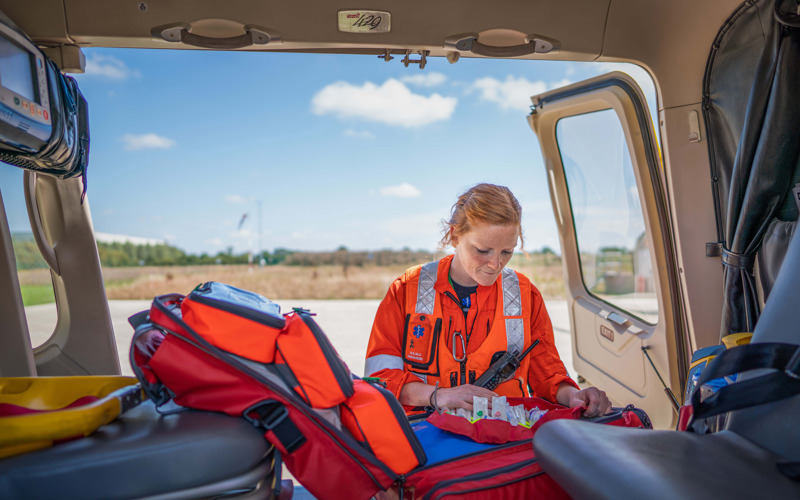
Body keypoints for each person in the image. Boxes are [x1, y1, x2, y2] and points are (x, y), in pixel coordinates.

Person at [364, 183, 611, 417]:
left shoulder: (526, 295)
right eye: (482, 250)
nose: (495, 264)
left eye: (507, 252)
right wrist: (437, 396)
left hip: (504, 437)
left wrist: (576, 395)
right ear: (454, 236)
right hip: (426, 433)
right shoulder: (406, 290)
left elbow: (547, 374)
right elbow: (379, 377)